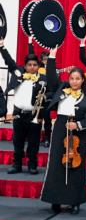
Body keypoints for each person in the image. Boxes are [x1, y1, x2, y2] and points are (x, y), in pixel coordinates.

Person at [40, 46, 86, 214]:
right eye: (72, 78)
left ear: (83, 80)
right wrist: (52, 56)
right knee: (56, 165)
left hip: (78, 131)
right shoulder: (61, 89)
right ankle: (55, 201)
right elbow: (51, 75)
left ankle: (75, 202)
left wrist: (79, 125)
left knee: (76, 168)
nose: (74, 82)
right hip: (60, 128)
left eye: (77, 79)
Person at [0, 38, 45, 175]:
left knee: (34, 142)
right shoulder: (19, 73)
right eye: (29, 65)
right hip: (19, 114)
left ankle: (32, 165)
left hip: (34, 114)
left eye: (34, 65)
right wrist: (2, 47)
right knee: (17, 141)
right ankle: (17, 164)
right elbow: (10, 62)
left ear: (38, 66)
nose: (32, 67)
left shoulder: (43, 79)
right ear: (25, 66)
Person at [28, 37, 54, 147]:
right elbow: (31, 55)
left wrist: (45, 96)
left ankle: (47, 138)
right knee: (36, 120)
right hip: (36, 100)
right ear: (41, 61)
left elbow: (53, 89)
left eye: (48, 59)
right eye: (44, 59)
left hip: (46, 100)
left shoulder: (53, 71)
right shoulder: (37, 70)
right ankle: (35, 138)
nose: (46, 61)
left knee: (47, 121)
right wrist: (30, 42)